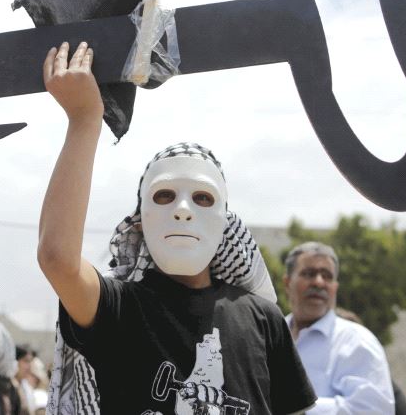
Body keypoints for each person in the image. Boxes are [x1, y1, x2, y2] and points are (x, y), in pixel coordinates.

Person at [38, 41, 316, 414]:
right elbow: (58, 258)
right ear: (141, 218)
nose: (183, 210)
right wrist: (85, 119)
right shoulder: (120, 309)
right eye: (164, 196)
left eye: (202, 198)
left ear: (223, 219)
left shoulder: (262, 319)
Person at [283, 241, 395, 414]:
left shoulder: (357, 341)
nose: (319, 282)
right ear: (287, 283)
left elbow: (374, 411)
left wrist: (296, 407)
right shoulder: (265, 337)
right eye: (309, 273)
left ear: (335, 287)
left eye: (327, 276)